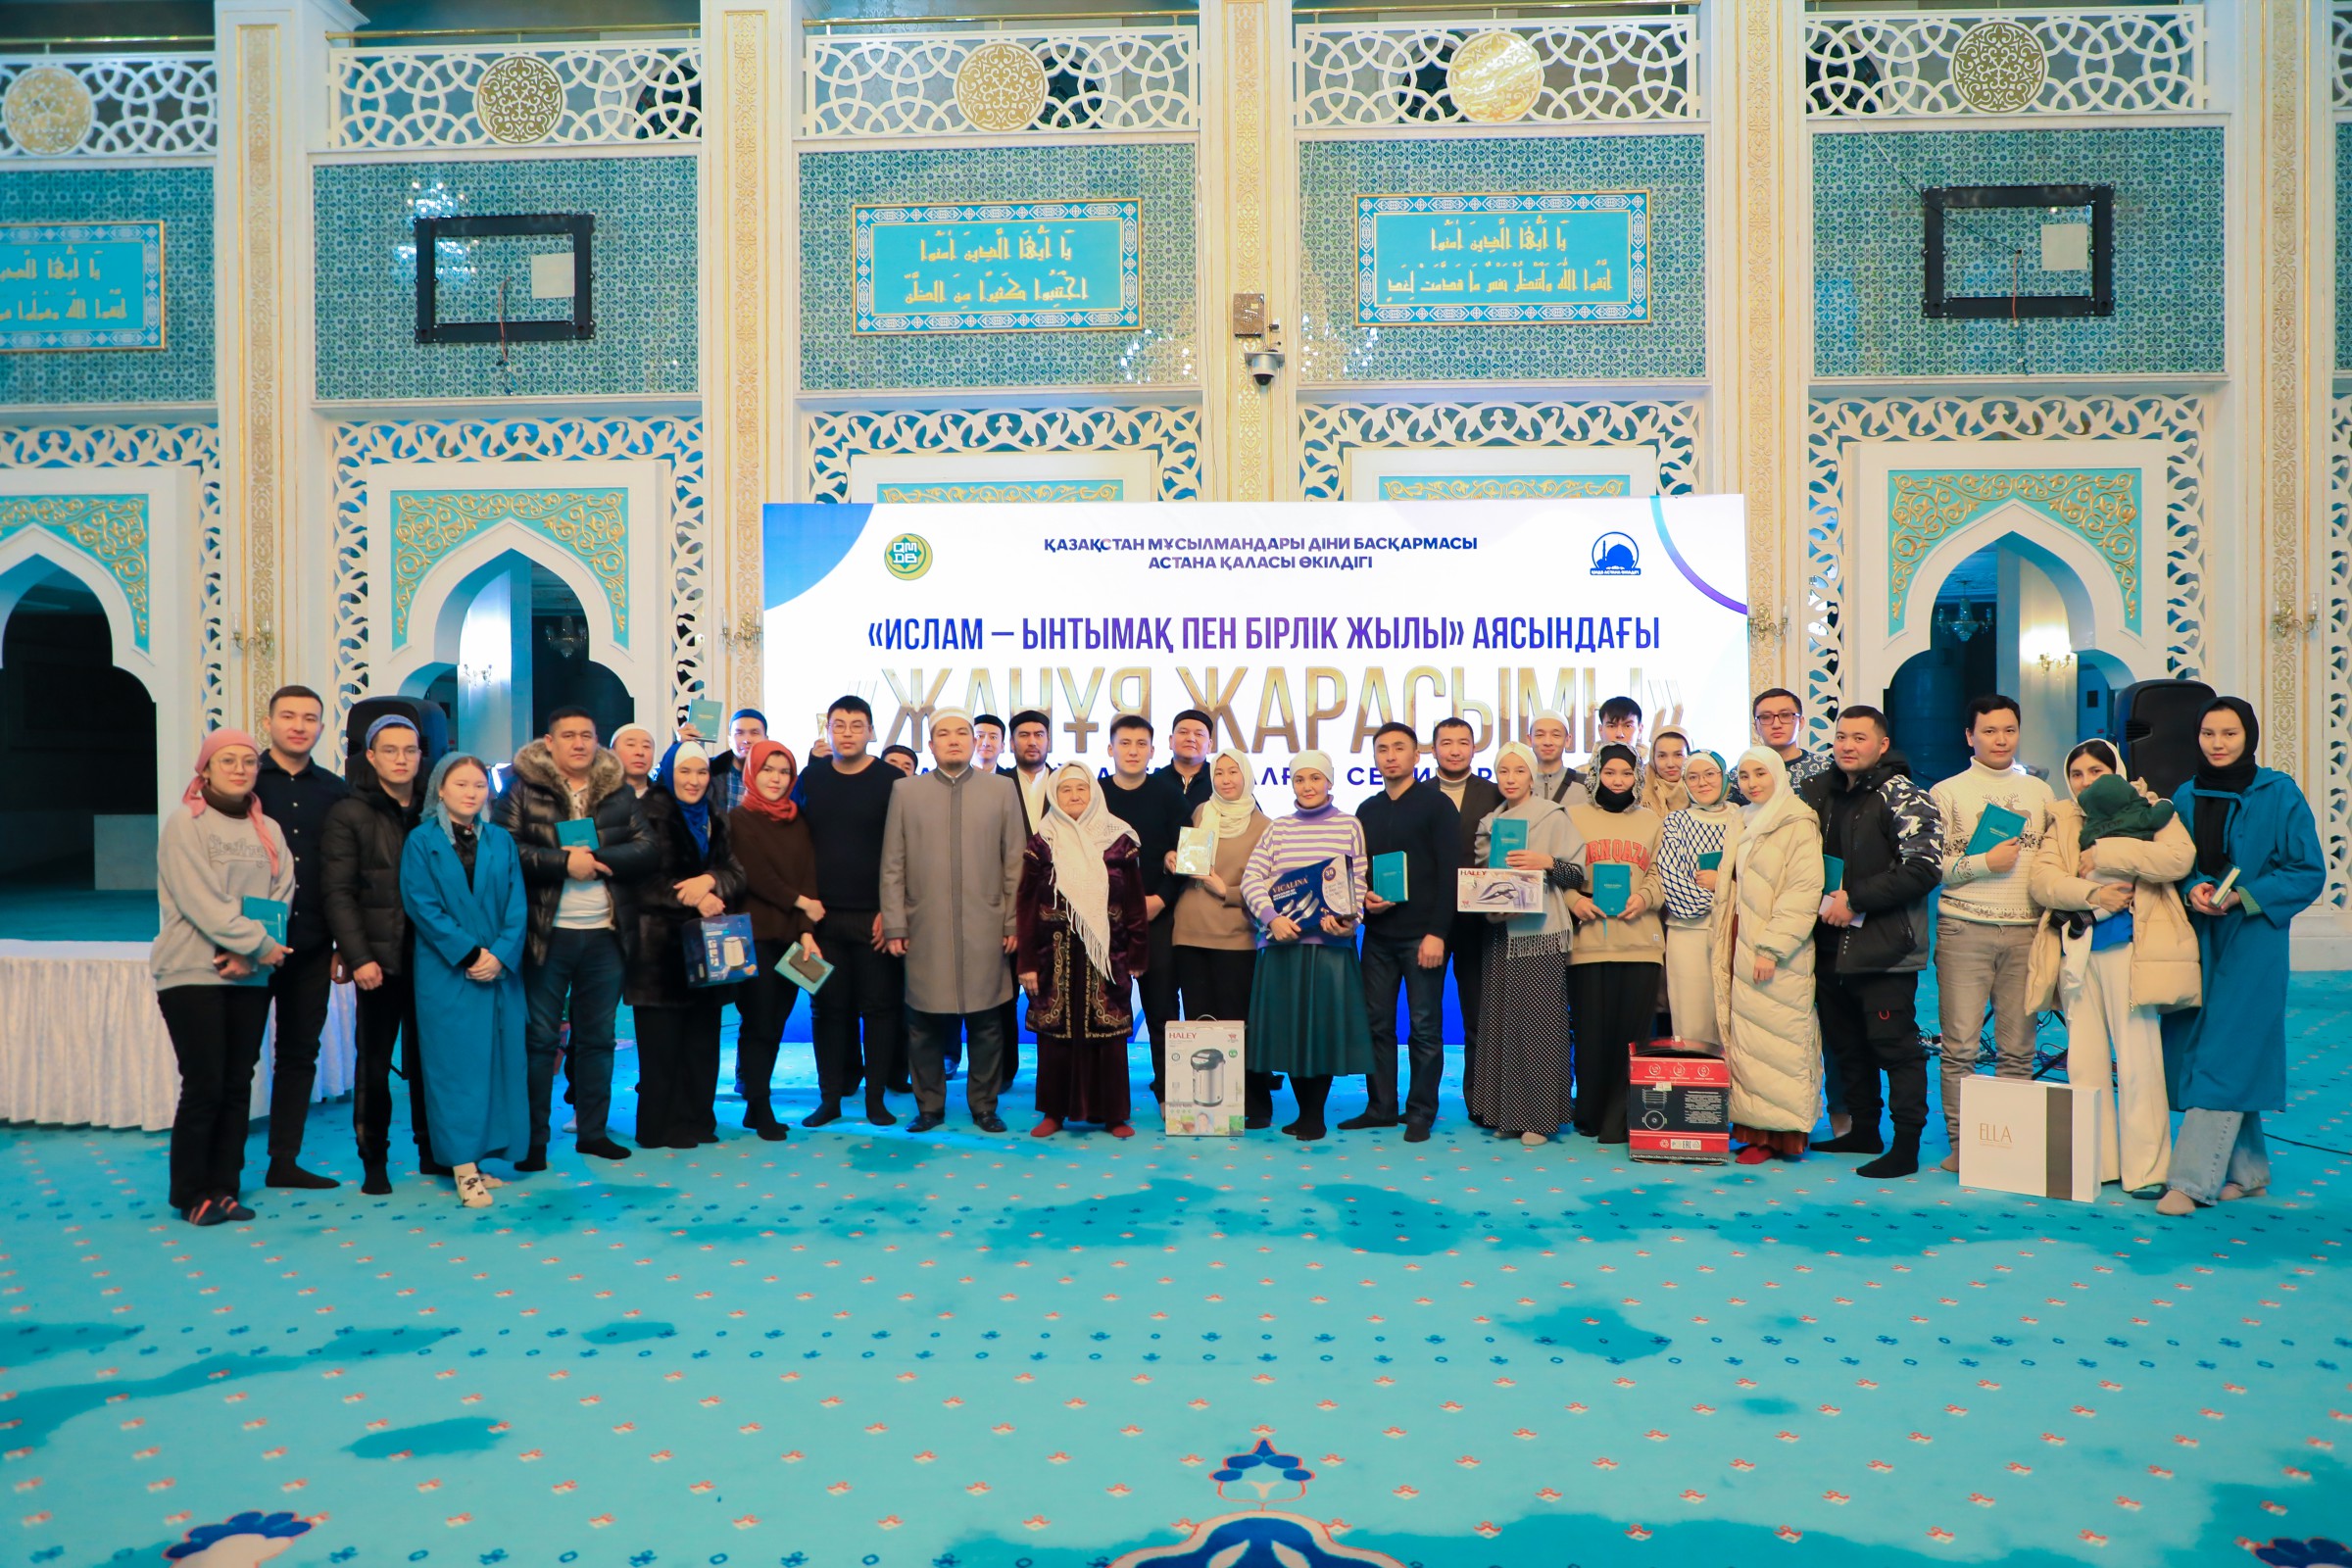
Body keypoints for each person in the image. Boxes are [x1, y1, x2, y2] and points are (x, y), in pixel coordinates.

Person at [2155, 698, 2324, 1216]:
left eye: (2229, 733)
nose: (2218, 743)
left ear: (2248, 736)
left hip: (2253, 941)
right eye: (2209, 733)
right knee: (2206, 1047)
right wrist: (2193, 886)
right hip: (2197, 936)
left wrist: (2245, 896)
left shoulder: (2279, 793)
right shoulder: (2186, 794)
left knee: (2225, 1051)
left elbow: (2307, 871)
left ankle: (2191, 1181)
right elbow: (2176, 862)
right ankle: (2249, 1173)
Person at [2024, 739, 2199, 1197]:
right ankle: (2094, 1163)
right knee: (2084, 1064)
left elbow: (2178, 859)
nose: (2085, 782)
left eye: (2096, 772)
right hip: (2078, 952)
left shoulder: (2150, 807)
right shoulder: (2064, 818)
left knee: (2140, 1061)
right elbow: (2043, 882)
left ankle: (2147, 1170)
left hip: (2132, 951)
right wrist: (2093, 894)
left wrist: (2104, 854)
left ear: (2116, 771)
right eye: (2077, 774)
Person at [492, 707, 661, 1168]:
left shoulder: (617, 791)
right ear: (550, 743)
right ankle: (533, 1141)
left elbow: (648, 849)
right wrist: (564, 863)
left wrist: (598, 859)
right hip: (544, 934)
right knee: (539, 1041)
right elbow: (504, 850)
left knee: (598, 1039)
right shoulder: (521, 789)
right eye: (568, 735)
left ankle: (593, 1132)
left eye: (587, 735)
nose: (579, 743)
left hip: (606, 934)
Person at [151, 729, 295, 1225]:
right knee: (205, 1083)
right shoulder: (185, 824)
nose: (239, 769)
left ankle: (224, 1187)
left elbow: (279, 896)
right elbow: (199, 900)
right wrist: (254, 945)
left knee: (237, 1084)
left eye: (248, 762)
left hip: (248, 974)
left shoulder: (269, 830)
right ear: (206, 769)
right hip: (192, 971)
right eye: (228, 760)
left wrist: (252, 955)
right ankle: (191, 1193)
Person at [1801, 706, 1943, 1178]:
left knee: (1896, 1049)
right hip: (1829, 946)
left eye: (1859, 738)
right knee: (1848, 1047)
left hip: (1885, 949)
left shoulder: (1904, 795)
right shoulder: (1819, 793)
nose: (1847, 745)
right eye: (1841, 736)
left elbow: (1924, 868)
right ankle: (1863, 1130)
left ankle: (1906, 1147)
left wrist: (1856, 899)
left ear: (1882, 745)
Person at [881, 709, 1028, 1133]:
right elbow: (893, 864)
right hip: (924, 925)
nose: (953, 740)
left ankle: (984, 1106)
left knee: (987, 1023)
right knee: (923, 1022)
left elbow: (1015, 864)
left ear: (974, 741)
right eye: (943, 734)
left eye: (961, 733)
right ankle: (929, 1106)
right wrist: (895, 924)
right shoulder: (906, 791)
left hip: (986, 924)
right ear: (931, 745)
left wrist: (1012, 922)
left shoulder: (1001, 790)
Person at [1928, 695, 2055, 1171]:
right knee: (1959, 1047)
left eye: (2009, 730)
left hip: (2026, 932)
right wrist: (1984, 861)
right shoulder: (1946, 792)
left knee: (2018, 1049)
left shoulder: (2040, 793)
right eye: (1989, 731)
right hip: (1964, 929)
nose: (2001, 740)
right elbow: (1931, 867)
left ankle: (2009, 1146)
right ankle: (1965, 1146)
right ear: (1970, 736)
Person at [400, 754, 530, 1208]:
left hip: (499, 971)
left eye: (478, 785)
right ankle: (461, 1166)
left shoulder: (500, 840)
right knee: (454, 1070)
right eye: (461, 784)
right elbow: (422, 906)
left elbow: (517, 904)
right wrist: (472, 953)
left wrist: (501, 955)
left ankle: (481, 1157)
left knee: (497, 1066)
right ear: (440, 788)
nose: (472, 793)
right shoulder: (421, 842)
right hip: (448, 972)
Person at [319, 715, 431, 1194]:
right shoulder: (350, 812)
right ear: (371, 756)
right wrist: (358, 955)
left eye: (409, 750)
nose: (401, 759)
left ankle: (434, 1151)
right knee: (375, 1065)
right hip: (378, 962)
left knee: (431, 1064)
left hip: (432, 960)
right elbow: (338, 893)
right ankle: (374, 1160)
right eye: (390, 750)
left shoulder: (433, 808)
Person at [1242, 752, 1372, 1141]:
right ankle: (1303, 1113)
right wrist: (1272, 919)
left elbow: (1358, 881)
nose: (1308, 786)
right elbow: (1252, 879)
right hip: (1282, 946)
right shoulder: (1278, 828)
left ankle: (1314, 1116)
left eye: (1315, 778)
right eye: (1300, 779)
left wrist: (1349, 921)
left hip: (1329, 948)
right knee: (1291, 1031)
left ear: (1329, 782)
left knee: (1321, 1031)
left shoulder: (1349, 825)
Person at [625, 742, 748, 1150]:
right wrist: (693, 898)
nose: (694, 781)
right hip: (659, 955)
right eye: (685, 772)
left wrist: (710, 881)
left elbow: (735, 872)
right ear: (669, 773)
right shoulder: (646, 814)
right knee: (662, 1049)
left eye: (701, 772)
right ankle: (661, 1127)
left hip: (706, 953)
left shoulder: (715, 816)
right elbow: (640, 883)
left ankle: (697, 1120)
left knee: (701, 1045)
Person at [250, 685, 349, 1191]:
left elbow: (343, 871)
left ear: (321, 728)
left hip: (311, 942)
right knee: (238, 1056)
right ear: (268, 723)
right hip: (249, 942)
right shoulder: (244, 782)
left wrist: (343, 943)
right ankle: (221, 1169)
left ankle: (283, 1161)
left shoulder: (335, 791)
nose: (299, 726)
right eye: (288, 716)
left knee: (298, 1053)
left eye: (309, 718)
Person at [1016, 763, 1150, 1138]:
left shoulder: (1119, 839)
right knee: (1055, 1034)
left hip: (1107, 955)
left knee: (1108, 1034)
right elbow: (1026, 904)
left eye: (1081, 789)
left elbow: (1134, 902)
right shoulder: (1043, 841)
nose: (1074, 796)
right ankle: (1054, 1112)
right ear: (1054, 796)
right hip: (1054, 956)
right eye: (1065, 790)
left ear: (1093, 794)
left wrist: (1138, 953)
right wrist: (1027, 962)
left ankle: (1113, 1115)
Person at [1465, 741, 1584, 1146]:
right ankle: (1507, 1113)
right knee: (1501, 1023)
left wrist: (1545, 862)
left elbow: (1576, 874)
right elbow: (1480, 879)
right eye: (1504, 771)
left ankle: (1540, 1117)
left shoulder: (1552, 815)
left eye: (1519, 771)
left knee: (1540, 1026)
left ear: (1532, 776)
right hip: (1500, 933)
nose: (1511, 779)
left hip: (1540, 934)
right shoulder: (1490, 823)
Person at [1711, 747, 1826, 1163]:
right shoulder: (1742, 820)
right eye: (1744, 776)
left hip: (1777, 950)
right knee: (1750, 1042)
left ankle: (1784, 1137)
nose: (1752, 783)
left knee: (1782, 1040)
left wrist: (1773, 947)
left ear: (1778, 774)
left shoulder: (1797, 822)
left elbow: (1802, 891)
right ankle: (1754, 1132)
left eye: (1760, 773)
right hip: (1740, 941)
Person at [795, 695, 907, 1112]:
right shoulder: (811, 778)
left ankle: (876, 1099)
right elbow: (796, 847)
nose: (847, 733)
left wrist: (890, 911)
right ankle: (830, 1100)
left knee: (880, 1009)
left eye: (856, 725)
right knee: (826, 1010)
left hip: (875, 919)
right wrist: (803, 920)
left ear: (871, 732)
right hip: (821, 920)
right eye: (838, 725)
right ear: (827, 731)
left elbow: (904, 851)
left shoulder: (891, 781)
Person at [1351, 721, 1462, 1140]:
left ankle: (1420, 1111)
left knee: (1425, 1028)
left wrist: (1439, 934)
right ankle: (1380, 1106)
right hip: (1378, 936)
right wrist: (1364, 896)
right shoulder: (1367, 809)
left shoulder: (1437, 805)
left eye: (1400, 748)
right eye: (1383, 749)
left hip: (1423, 936)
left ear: (1417, 756)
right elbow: (1357, 870)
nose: (1391, 756)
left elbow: (1451, 874)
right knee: (1376, 1024)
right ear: (1375, 758)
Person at [1563, 745, 1665, 1142]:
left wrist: (1645, 898)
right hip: (1588, 944)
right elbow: (1559, 871)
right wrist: (1574, 901)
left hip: (1640, 943)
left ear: (1637, 777)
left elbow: (1660, 874)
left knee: (1632, 1037)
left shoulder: (1652, 821)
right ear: (1596, 774)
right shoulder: (1572, 816)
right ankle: (1589, 1114)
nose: (1618, 781)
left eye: (1626, 773)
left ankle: (1622, 1119)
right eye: (1609, 773)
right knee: (1591, 1036)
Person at [1171, 748, 1277, 1127]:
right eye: (1219, 772)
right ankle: (1208, 1110)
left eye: (1234, 772)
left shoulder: (1265, 826)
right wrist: (1172, 859)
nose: (1226, 779)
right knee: (1200, 1020)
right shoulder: (1201, 813)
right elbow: (1190, 863)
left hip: (1236, 935)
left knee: (1239, 1022)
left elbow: (1270, 887)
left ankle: (1255, 1103)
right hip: (1189, 932)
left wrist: (1227, 891)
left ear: (1247, 776)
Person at [730, 740, 830, 1129]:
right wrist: (802, 903)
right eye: (768, 770)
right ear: (752, 773)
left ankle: (756, 1101)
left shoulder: (796, 820)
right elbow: (757, 876)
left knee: (776, 1022)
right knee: (758, 1021)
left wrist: (806, 930)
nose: (776, 779)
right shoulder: (737, 820)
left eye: (784, 771)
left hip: (790, 938)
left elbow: (810, 876)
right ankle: (759, 1104)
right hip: (754, 938)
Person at [1102, 713, 1187, 1100]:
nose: (1133, 751)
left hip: (1157, 915)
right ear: (1110, 749)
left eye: (1141, 745)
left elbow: (1189, 856)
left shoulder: (1169, 795)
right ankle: (1107, 1094)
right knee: (1105, 1009)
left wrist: (1162, 899)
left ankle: (1171, 1091)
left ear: (1153, 751)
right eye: (1125, 743)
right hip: (1103, 921)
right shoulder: (1095, 794)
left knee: (1161, 1008)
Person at [1431, 716, 1504, 1121]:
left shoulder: (1494, 794)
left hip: (1480, 922)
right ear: (1434, 749)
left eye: (1463, 742)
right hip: (1430, 922)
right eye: (1446, 742)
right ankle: (1423, 1102)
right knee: (1427, 1018)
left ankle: (1480, 1099)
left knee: (1479, 1015)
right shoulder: (1419, 795)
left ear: (1474, 748)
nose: (1455, 750)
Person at [1653, 750, 1737, 1044]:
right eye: (1693, 777)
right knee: (1692, 1024)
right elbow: (1669, 876)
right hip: (1687, 932)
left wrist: (1721, 883)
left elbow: (1757, 874)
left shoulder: (1742, 818)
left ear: (1724, 777)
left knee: (1736, 1022)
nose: (1702, 783)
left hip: (1736, 930)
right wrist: (1719, 898)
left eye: (1710, 774)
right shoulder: (1675, 821)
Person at [1739, 688, 1836, 801]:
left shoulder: (1826, 769)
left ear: (1801, 722)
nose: (1776, 725)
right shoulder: (1741, 775)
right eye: (1766, 717)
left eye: (1785, 715)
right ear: (1756, 727)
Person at [1152, 709, 1216, 815]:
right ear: (1171, 741)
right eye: (1183, 732)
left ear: (1209, 745)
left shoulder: (1220, 781)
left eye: (1199, 734)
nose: (1190, 738)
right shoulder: (1154, 782)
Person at [1527, 709, 1591, 808]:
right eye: (1540, 735)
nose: (1547, 742)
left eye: (1555, 735)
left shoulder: (1587, 785)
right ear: (1530, 740)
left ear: (1567, 740)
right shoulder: (1517, 785)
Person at [1005, 709, 1055, 830]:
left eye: (1039, 735)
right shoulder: (1000, 782)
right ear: (1012, 743)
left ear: (1048, 742)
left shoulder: (1061, 782)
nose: (1032, 742)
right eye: (1024, 735)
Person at [710, 709, 767, 813]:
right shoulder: (710, 770)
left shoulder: (777, 776)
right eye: (739, 733)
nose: (747, 740)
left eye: (754, 733)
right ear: (730, 740)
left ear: (766, 740)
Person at [1640, 725, 1692, 817]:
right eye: (1662, 756)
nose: (1670, 764)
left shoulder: (1703, 789)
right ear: (1653, 758)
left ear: (1689, 756)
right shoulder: (1638, 788)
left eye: (1678, 755)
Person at [1593, 695, 1644, 765]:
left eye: (1628, 726)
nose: (1619, 734)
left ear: (1640, 730)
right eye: (1611, 726)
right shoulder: (1583, 772)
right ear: (1600, 730)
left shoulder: (1655, 771)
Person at [612, 723, 658, 797]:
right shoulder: (598, 797)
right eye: (631, 745)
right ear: (613, 753)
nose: (640, 752)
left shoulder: (665, 799)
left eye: (646, 746)